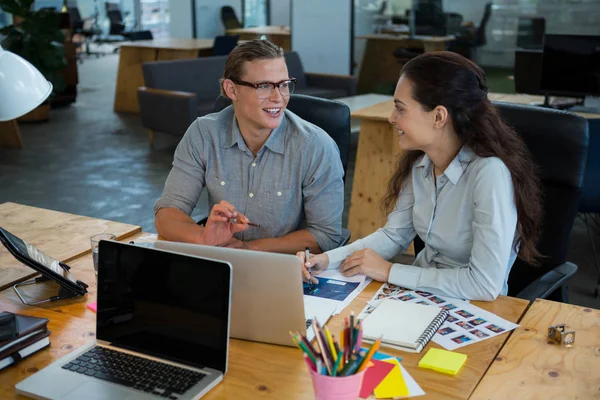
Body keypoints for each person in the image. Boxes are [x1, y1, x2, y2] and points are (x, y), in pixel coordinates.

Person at [297, 51, 542, 301]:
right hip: (419, 296)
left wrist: (391, 271)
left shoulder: (489, 173)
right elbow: (394, 235)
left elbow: (484, 284)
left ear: (438, 116)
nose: (392, 118)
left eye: (400, 109)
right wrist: (326, 260)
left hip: (473, 306)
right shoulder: (422, 163)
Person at [154, 40, 345, 254]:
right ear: (231, 90)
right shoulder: (203, 134)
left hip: (285, 267)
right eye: (263, 86)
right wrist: (204, 237)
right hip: (222, 261)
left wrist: (248, 248)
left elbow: (325, 235)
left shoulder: (316, 146)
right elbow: (167, 212)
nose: (278, 98)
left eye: (283, 84)